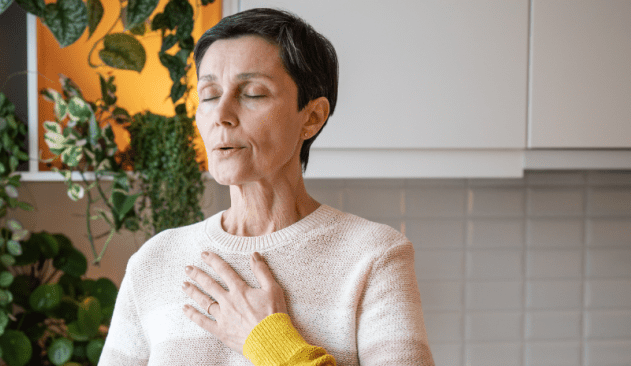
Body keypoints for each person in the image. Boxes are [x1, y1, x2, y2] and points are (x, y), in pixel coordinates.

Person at [98, 8, 434, 366]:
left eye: (253, 93)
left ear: (312, 116)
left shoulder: (373, 257)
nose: (221, 114)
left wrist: (270, 343)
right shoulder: (154, 261)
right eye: (209, 94)